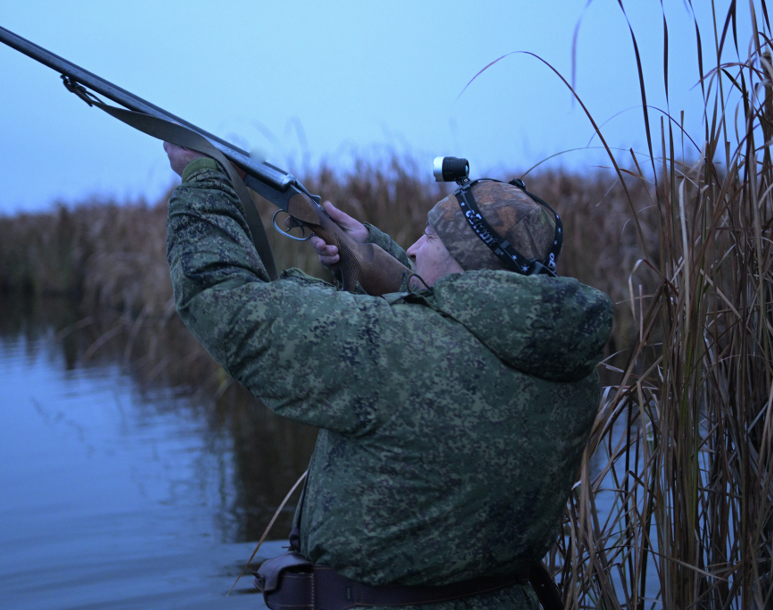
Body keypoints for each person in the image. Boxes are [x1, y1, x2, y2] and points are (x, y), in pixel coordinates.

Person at [163, 143, 612, 610]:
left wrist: (204, 176)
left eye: (431, 239)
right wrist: (370, 252)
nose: (414, 248)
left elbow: (225, 301)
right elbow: (477, 321)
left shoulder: (399, 349)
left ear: (470, 268)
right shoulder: (571, 371)